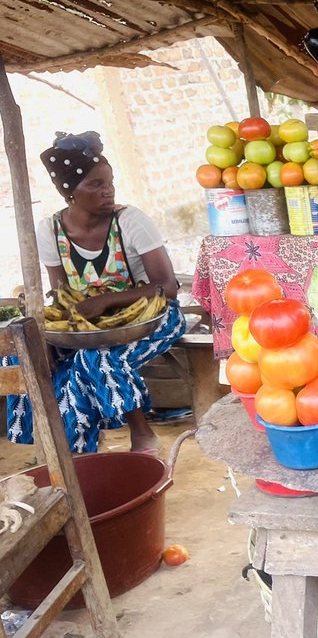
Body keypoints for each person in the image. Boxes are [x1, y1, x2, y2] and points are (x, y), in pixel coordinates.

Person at [3, 131, 185, 454]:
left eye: (110, 182)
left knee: (95, 359)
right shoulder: (51, 231)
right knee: (22, 352)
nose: (108, 190)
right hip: (90, 327)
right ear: (70, 193)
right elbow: (61, 294)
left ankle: (141, 433)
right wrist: (50, 335)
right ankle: (66, 444)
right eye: (96, 185)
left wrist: (106, 301)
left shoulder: (130, 221)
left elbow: (167, 288)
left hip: (153, 317)